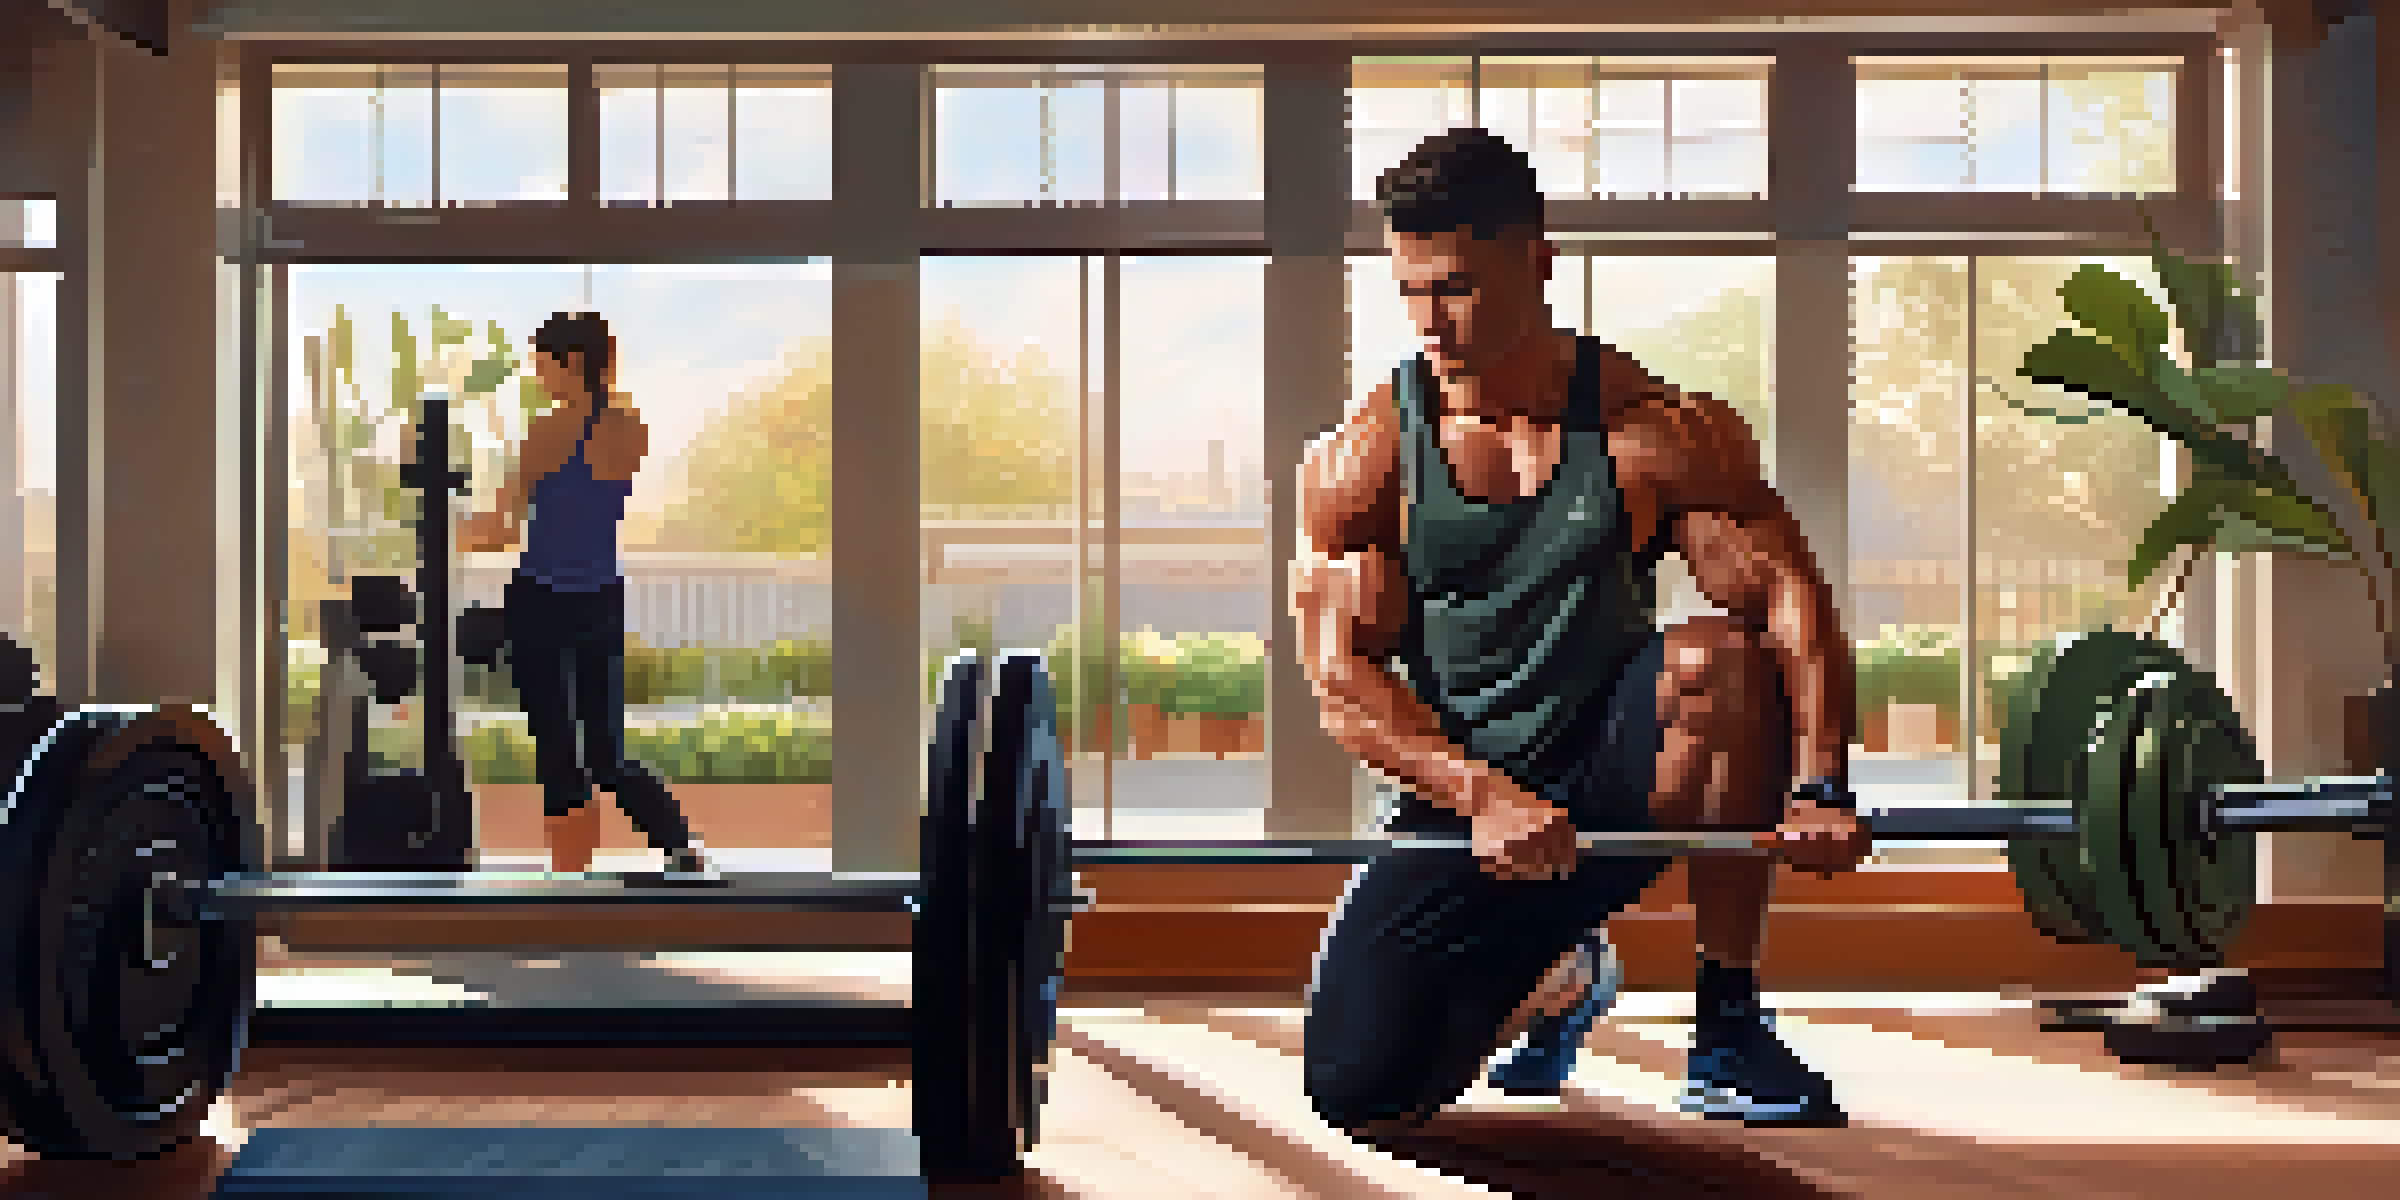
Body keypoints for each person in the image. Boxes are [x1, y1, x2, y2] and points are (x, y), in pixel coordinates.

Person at [1291, 129, 1872, 1137]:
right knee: (1359, 1090)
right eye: (1414, 291)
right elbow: (1340, 678)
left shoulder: (1654, 432)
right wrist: (1481, 794)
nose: (1435, 322)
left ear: (1541, 259)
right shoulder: (1368, 460)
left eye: (1460, 287)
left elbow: (1784, 596)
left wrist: (1819, 785)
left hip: (1616, 791)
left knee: (1718, 662)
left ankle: (1727, 1024)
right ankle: (1562, 976)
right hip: (1458, 817)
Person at [456, 311, 713, 878]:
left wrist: (441, 527)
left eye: (543, 365)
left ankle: (571, 873)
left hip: (542, 601)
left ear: (571, 363)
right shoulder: (629, 427)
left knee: (557, 751)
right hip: (599, 598)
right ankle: (679, 847)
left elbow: (500, 529)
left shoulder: (546, 433)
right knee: (607, 753)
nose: (539, 376)